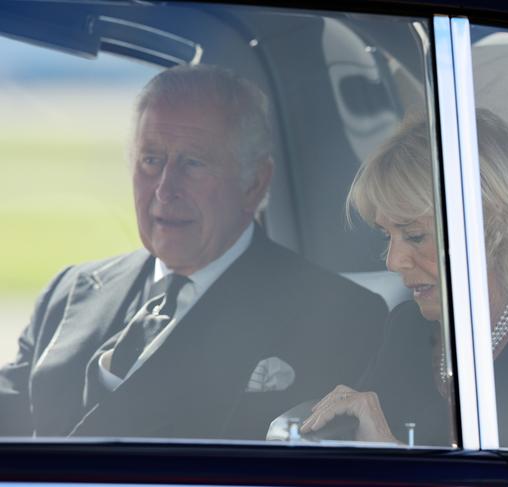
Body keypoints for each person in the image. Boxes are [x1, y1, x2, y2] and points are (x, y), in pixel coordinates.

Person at [0, 64, 387, 440]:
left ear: (254, 182)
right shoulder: (68, 291)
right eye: (151, 160)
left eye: (193, 163)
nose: (165, 189)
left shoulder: (340, 315)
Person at [301, 110, 508, 449]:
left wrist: (388, 452)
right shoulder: (406, 328)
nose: (393, 262)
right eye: (386, 236)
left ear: (489, 230)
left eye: (415, 236)